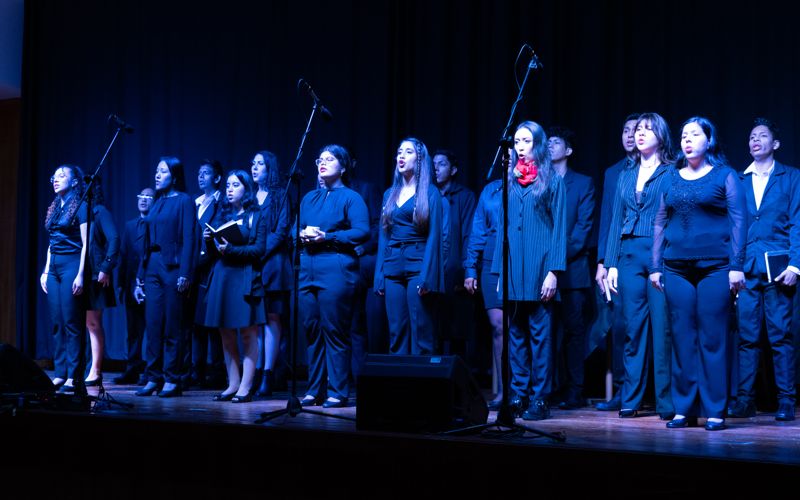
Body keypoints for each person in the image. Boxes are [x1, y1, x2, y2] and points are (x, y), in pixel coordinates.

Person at [650, 116, 746, 431]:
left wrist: (736, 266)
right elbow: (660, 221)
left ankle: (715, 409)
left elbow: (738, 221)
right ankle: (684, 408)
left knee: (712, 337)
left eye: (694, 134)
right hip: (676, 266)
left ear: (709, 140)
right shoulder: (670, 178)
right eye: (684, 135)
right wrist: (655, 266)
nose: (687, 140)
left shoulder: (725, 176)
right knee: (681, 336)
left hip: (716, 266)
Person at [491, 120, 566, 421]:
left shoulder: (552, 180)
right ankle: (518, 395)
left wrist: (553, 272)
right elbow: (502, 228)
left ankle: (540, 397)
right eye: (517, 142)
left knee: (540, 337)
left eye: (526, 141)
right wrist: (498, 273)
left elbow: (559, 229)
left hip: (539, 268)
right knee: (515, 336)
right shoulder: (508, 180)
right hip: (512, 268)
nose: (520, 147)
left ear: (538, 144)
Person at [728, 118, 799, 421]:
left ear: (776, 144)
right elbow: (733, 225)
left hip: (778, 267)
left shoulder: (791, 177)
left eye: (762, 136)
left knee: (780, 335)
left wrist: (796, 264)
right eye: (751, 136)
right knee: (747, 336)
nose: (755, 140)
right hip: (746, 268)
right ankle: (746, 399)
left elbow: (798, 221)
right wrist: (734, 267)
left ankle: (786, 399)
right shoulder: (738, 179)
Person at [605, 112, 675, 420]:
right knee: (632, 329)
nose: (639, 134)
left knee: (662, 329)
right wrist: (610, 263)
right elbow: (614, 221)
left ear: (661, 136)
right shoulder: (625, 173)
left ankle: (665, 402)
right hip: (629, 253)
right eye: (638, 130)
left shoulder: (673, 172)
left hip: (660, 253)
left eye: (647, 129)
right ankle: (630, 400)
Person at [298, 145, 369, 407]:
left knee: (334, 330)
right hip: (308, 267)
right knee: (312, 329)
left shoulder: (351, 197)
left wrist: (328, 236)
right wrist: (302, 234)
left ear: (344, 165)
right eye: (320, 159)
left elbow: (362, 232)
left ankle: (338, 390)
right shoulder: (309, 198)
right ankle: (313, 389)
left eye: (330, 159)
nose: (323, 162)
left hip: (336, 266)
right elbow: (297, 228)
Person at [374, 138, 445, 355]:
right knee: (397, 331)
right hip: (393, 266)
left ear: (420, 159)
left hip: (418, 265)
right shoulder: (389, 194)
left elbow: (435, 237)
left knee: (421, 330)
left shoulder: (430, 192)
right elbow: (384, 236)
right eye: (399, 152)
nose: (401, 156)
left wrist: (427, 275)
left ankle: (421, 384)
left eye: (408, 152)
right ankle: (400, 385)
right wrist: (380, 273)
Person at [202, 170, 267, 403]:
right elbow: (214, 253)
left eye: (235, 185)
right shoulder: (222, 214)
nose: (229, 189)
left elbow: (259, 250)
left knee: (248, 333)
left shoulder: (256, 215)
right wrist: (210, 242)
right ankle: (233, 383)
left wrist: (231, 250)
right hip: (223, 276)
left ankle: (246, 387)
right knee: (225, 332)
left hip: (244, 276)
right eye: (227, 185)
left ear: (246, 189)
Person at [135, 156, 196, 398]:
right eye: (156, 171)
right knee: (153, 324)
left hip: (173, 266)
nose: (157, 175)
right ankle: (153, 377)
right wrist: (139, 276)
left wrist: (185, 273)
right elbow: (147, 242)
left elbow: (190, 238)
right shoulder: (158, 202)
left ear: (175, 175)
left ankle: (173, 378)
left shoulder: (184, 201)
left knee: (173, 325)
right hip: (153, 267)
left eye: (163, 171)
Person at [547, 126, 595, 409]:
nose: (550, 145)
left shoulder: (583, 183)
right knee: (546, 332)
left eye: (556, 142)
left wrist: (556, 256)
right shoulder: (539, 182)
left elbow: (583, 227)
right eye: (548, 142)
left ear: (568, 151)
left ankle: (575, 389)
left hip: (572, 270)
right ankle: (549, 386)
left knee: (573, 332)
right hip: (541, 270)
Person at [592, 114, 638, 411]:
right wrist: (602, 261)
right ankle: (623, 390)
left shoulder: (665, 167)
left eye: (636, 130)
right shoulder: (613, 172)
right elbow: (607, 218)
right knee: (620, 325)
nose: (630, 135)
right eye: (625, 130)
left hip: (649, 255)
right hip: (618, 255)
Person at [40, 165, 88, 393]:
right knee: (57, 321)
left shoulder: (81, 204)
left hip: (72, 265)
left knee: (72, 322)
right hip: (55, 268)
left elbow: (86, 243)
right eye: (54, 176)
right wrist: (46, 270)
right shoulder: (54, 208)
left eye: (62, 176)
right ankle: (60, 373)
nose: (56, 180)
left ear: (75, 181)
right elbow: (52, 242)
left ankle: (74, 374)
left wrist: (80, 274)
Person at [251, 150, 291, 396]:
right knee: (255, 321)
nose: (254, 168)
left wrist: (260, 252)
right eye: (252, 164)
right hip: (252, 264)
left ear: (270, 168)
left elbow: (281, 230)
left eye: (260, 164)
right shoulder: (249, 197)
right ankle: (254, 372)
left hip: (273, 264)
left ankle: (268, 373)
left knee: (273, 319)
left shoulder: (280, 195)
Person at [432, 149, 477, 361]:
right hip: (433, 269)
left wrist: (467, 269)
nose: (436, 168)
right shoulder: (428, 194)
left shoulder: (465, 196)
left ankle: (459, 382)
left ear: (453, 169)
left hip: (456, 269)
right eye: (434, 164)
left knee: (457, 328)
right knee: (433, 328)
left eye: (441, 164)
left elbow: (469, 234)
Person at [464, 178, 503, 409]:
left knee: (516, 327)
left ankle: (523, 388)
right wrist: (471, 267)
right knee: (497, 324)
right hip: (490, 261)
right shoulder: (491, 189)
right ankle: (503, 390)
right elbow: (478, 228)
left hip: (519, 259)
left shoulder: (534, 183)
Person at [190, 159, 226, 389]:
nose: (201, 177)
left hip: (212, 265)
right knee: (196, 323)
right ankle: (197, 368)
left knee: (213, 322)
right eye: (199, 173)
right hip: (195, 267)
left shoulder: (221, 202)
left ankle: (217, 369)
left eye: (206, 173)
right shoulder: (195, 203)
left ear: (217, 178)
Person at [114, 187, 154, 385]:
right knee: (133, 330)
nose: (144, 199)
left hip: (152, 283)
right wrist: (121, 284)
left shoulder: (156, 224)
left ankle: (151, 371)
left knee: (153, 330)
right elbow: (124, 255)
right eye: (141, 196)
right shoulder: (130, 225)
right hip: (131, 284)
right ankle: (132, 367)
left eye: (148, 196)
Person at [84, 179, 120, 386]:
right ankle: (81, 367)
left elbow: (114, 239)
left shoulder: (100, 212)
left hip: (96, 273)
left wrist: (106, 267)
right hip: (80, 273)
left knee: (93, 323)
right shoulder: (79, 213)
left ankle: (96, 370)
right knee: (79, 324)